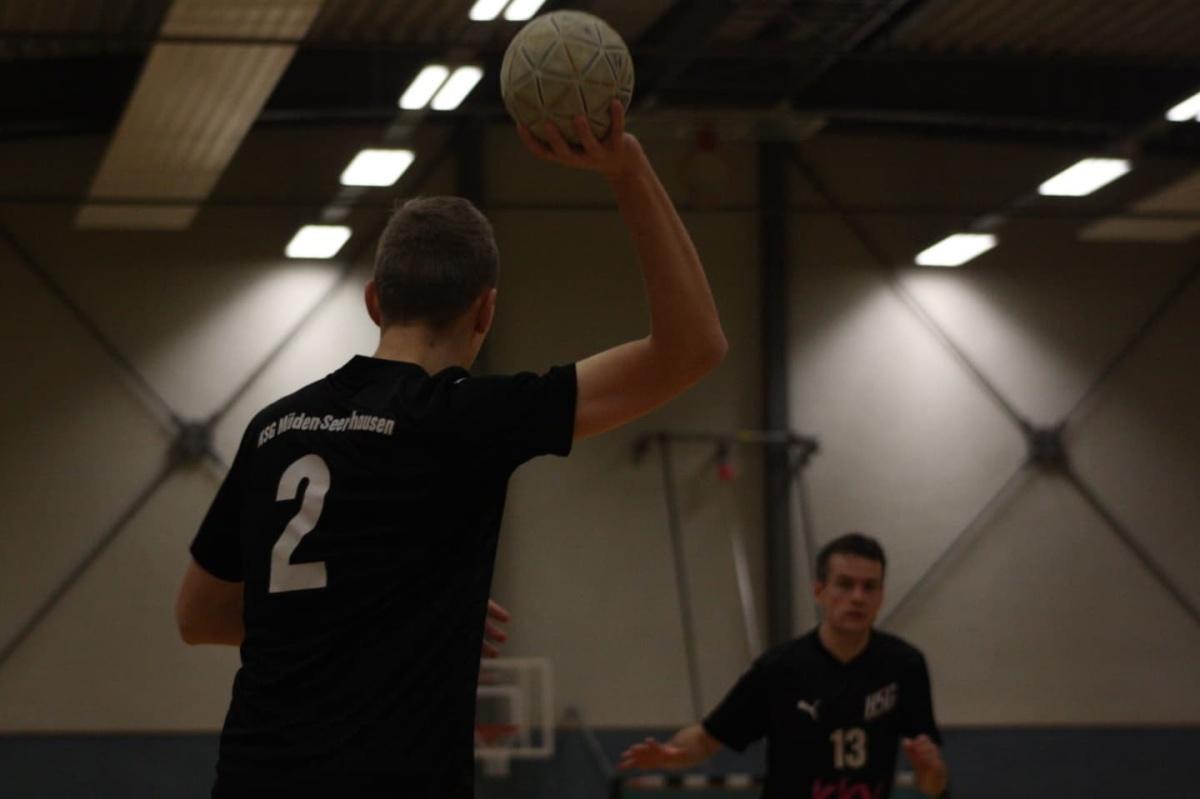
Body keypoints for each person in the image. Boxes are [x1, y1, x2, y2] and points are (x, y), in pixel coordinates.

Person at [174, 100, 726, 798]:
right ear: (485, 310)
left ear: (376, 300)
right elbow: (692, 348)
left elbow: (198, 615)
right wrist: (628, 167)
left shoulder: (275, 426)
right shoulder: (463, 419)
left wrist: (370, 594)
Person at [620, 533, 949, 799]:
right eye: (845, 585)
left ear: (881, 595)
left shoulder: (904, 665)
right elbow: (707, 738)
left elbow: (931, 784)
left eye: (869, 587)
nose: (858, 597)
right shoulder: (780, 669)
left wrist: (932, 772)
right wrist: (673, 753)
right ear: (819, 591)